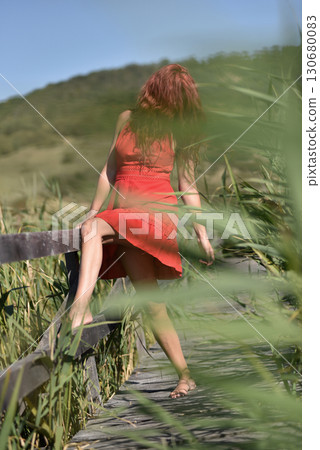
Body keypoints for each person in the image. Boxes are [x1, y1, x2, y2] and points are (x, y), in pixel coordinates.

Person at [67, 64, 214, 398]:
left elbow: (187, 184)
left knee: (93, 230)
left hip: (154, 214)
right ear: (159, 92)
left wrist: (202, 232)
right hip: (123, 213)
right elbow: (109, 169)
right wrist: (93, 209)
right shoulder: (126, 119)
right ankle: (185, 375)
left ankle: (80, 308)